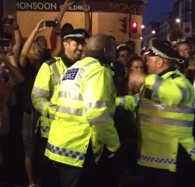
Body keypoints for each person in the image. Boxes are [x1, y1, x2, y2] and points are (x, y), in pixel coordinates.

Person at [45, 34, 120, 187]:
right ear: (105, 51)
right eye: (113, 49)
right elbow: (97, 114)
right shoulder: (98, 70)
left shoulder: (72, 68)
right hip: (79, 149)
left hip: (57, 145)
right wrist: (113, 144)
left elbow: (56, 104)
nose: (115, 53)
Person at [119, 39, 195, 187]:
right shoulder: (158, 81)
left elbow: (177, 95)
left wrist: (144, 78)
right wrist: (113, 102)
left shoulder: (179, 81)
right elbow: (139, 101)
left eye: (149, 60)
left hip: (172, 159)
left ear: (159, 63)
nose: (146, 64)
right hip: (152, 158)